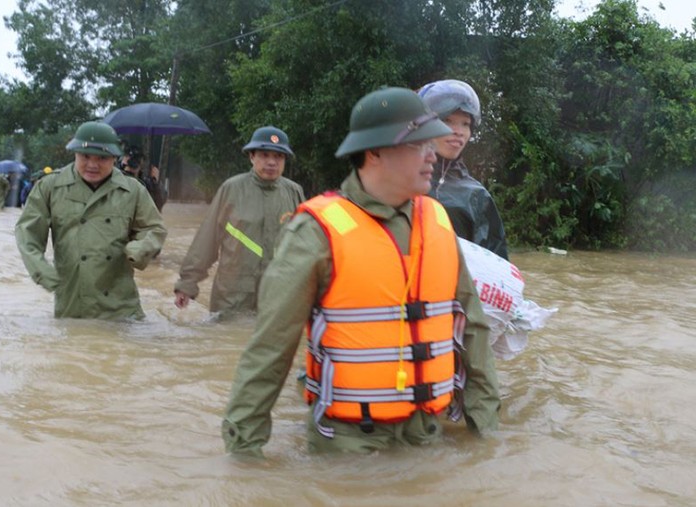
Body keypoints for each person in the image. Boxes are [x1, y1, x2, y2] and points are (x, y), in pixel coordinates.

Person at [222, 87, 500, 456]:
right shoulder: (315, 232)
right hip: (350, 448)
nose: (432, 155)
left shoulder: (437, 222)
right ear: (375, 152)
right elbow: (269, 350)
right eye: (419, 145)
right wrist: (244, 457)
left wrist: (487, 436)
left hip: (426, 439)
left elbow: (473, 329)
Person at [15, 121, 167, 319]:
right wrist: (40, 269)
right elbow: (27, 232)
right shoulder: (51, 187)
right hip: (72, 304)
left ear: (114, 158)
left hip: (121, 306)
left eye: (102, 158)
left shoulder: (133, 190)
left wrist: (139, 250)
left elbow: (154, 228)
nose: (92, 165)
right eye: (85, 156)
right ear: (75, 154)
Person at [173, 125, 305, 316]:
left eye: (278, 156)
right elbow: (207, 239)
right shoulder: (232, 189)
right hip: (232, 297)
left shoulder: (294, 192)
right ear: (252, 156)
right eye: (265, 155)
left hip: (279, 296)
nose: (271, 162)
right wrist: (187, 283)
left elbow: (306, 246)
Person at [417, 79, 509, 259]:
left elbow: (495, 267)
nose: (458, 131)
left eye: (465, 124)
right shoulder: (397, 179)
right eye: (448, 120)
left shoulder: (477, 196)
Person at [119, 143, 165, 209]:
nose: (133, 161)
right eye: (131, 158)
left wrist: (155, 183)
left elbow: (157, 207)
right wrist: (123, 168)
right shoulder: (117, 180)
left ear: (141, 163)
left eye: (137, 159)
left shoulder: (145, 185)